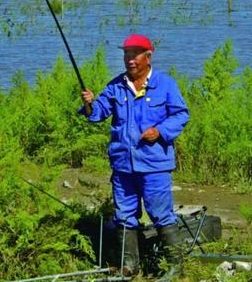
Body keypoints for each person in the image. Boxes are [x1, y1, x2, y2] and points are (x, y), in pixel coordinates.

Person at [80, 34, 189, 275]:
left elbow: (181, 115)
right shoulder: (115, 86)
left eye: (135, 54)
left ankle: (175, 267)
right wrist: (89, 103)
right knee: (124, 215)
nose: (130, 60)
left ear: (148, 57)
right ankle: (129, 267)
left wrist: (159, 131)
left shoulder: (166, 85)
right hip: (123, 166)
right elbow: (97, 114)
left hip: (154, 165)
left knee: (161, 213)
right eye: (126, 54)